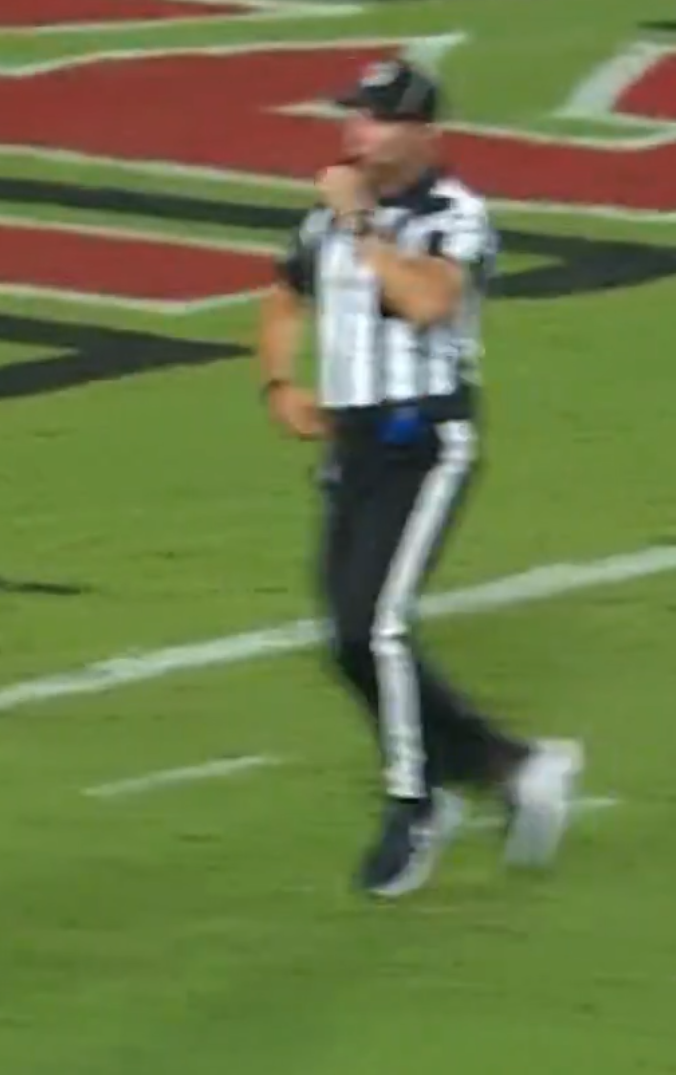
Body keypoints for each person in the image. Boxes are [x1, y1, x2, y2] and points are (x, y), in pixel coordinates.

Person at [255, 60, 584, 898]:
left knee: (380, 626)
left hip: (424, 440)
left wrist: (362, 223)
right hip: (354, 447)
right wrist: (280, 383)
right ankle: (514, 767)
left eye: (377, 118)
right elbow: (285, 293)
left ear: (424, 133)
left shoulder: (455, 214)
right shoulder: (330, 214)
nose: (357, 131)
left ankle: (417, 803)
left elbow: (429, 300)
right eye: (355, 114)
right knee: (347, 637)